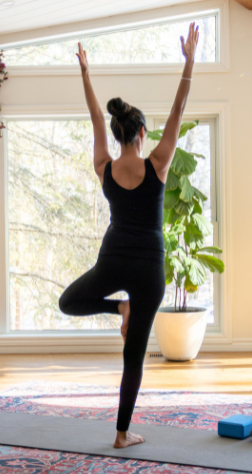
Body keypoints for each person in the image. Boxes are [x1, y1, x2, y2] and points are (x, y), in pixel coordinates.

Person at [58, 23, 200, 449]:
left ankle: (116, 307)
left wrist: (85, 74)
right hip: (150, 271)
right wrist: (189, 62)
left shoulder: (104, 166)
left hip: (114, 259)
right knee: (133, 356)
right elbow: (178, 112)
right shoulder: (158, 163)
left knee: (69, 302)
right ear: (141, 134)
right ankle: (122, 434)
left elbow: (94, 116)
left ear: (118, 134)